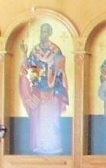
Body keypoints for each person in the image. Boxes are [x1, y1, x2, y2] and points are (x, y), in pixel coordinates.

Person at [19, 21, 69, 154]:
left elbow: (60, 69)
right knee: (38, 119)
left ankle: (52, 146)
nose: (43, 34)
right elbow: (28, 68)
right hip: (38, 90)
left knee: (52, 118)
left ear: (50, 33)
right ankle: (40, 145)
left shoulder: (55, 50)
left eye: (46, 31)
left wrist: (53, 73)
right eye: (42, 31)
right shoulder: (35, 51)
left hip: (52, 91)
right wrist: (24, 54)